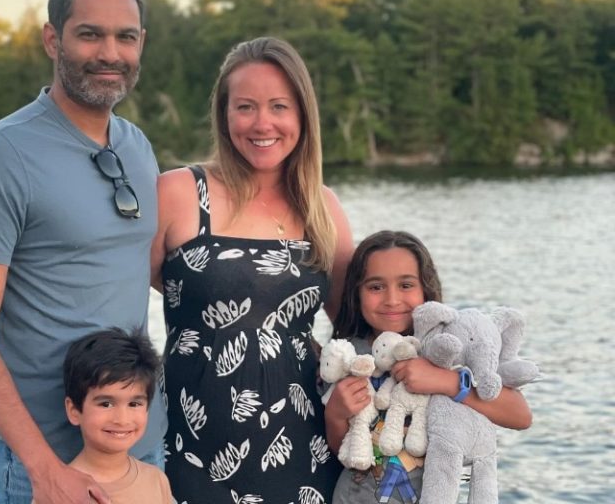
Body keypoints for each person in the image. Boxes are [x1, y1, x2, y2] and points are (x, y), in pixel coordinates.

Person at [0, 0, 167, 504]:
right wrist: (43, 469)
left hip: (142, 453)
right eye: (89, 35)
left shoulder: (138, 148)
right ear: (53, 39)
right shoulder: (1, 154)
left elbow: (162, 270)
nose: (110, 54)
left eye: (125, 36)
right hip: (47, 465)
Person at [150, 36, 355, 503]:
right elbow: (120, 295)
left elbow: (354, 324)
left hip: (300, 443)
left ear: (302, 115)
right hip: (190, 441)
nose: (263, 123)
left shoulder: (322, 207)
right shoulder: (179, 192)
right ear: (224, 114)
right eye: (245, 107)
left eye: (279, 106)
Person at [325, 230, 533, 504]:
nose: (392, 299)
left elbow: (520, 416)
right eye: (376, 287)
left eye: (406, 285)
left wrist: (446, 382)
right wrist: (335, 415)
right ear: (357, 293)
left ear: (426, 288)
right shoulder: (349, 357)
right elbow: (343, 448)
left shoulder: (451, 348)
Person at [56, 327, 173, 504]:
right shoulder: (58, 492)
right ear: (74, 410)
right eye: (106, 404)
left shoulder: (157, 480)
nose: (122, 419)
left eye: (134, 404)